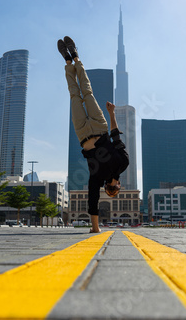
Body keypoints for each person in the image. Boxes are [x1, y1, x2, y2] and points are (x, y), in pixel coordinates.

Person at [58, 36, 129, 233]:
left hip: (82, 133)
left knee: (74, 95)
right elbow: (116, 137)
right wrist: (112, 114)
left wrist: (95, 228)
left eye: (110, 191)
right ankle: (77, 58)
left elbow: (92, 199)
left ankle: (67, 61)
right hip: (99, 126)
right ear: (119, 185)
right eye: (114, 190)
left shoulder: (97, 179)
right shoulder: (123, 163)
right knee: (87, 93)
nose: (111, 189)